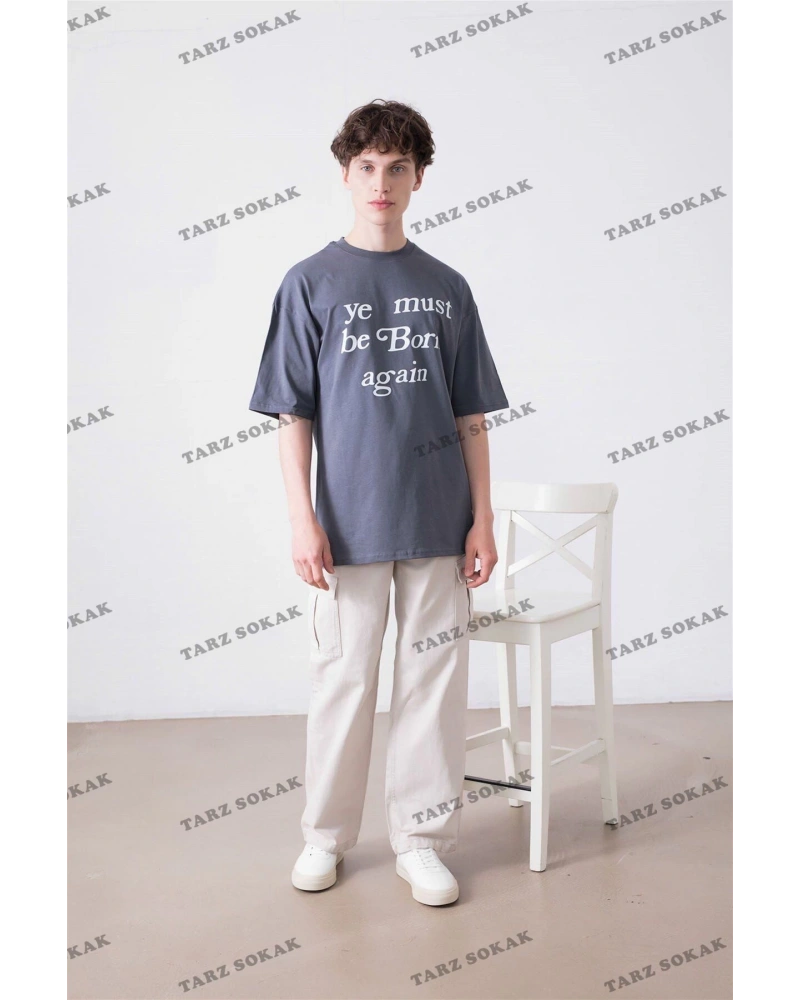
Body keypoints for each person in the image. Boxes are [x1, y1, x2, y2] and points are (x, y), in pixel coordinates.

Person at [248, 99, 509, 906]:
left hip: (439, 520)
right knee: (344, 683)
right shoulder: (310, 283)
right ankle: (325, 837)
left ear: (419, 177)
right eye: (367, 166)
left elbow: (471, 417)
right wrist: (302, 519)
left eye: (398, 167)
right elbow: (292, 416)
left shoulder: (447, 287)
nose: (381, 182)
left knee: (433, 687)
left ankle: (421, 843)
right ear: (346, 174)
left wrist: (482, 517)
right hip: (347, 526)